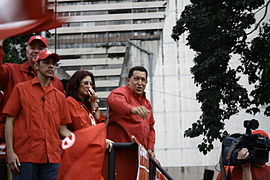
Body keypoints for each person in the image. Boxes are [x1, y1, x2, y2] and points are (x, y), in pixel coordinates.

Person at [3, 49, 72, 180]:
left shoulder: (59, 96)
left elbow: (62, 129)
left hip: (52, 158)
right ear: (36, 66)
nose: (51, 66)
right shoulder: (21, 89)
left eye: (54, 63)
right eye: (46, 62)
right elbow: (9, 121)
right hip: (25, 156)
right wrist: (10, 153)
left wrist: (83, 138)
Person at [0, 35, 64, 137]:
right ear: (26, 52)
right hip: (17, 139)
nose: (36, 51)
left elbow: (61, 117)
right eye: (33, 48)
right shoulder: (11, 71)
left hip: (45, 141)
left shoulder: (56, 82)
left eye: (40, 48)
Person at [106, 66, 156, 179]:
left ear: (146, 82)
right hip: (120, 153)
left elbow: (151, 128)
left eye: (143, 80)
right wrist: (132, 109)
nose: (140, 83)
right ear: (127, 80)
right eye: (136, 79)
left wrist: (149, 148)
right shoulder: (120, 93)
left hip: (139, 156)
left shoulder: (147, 103)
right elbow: (113, 101)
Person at [66, 70, 113, 150]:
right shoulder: (70, 102)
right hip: (79, 148)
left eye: (91, 84)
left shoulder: (87, 105)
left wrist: (94, 103)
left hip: (91, 148)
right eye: (85, 83)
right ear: (76, 85)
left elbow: (101, 125)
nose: (89, 87)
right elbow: (82, 127)